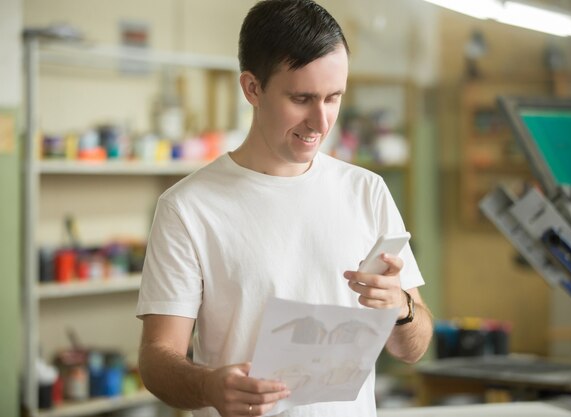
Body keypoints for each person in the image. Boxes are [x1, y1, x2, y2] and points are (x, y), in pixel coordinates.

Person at [136, 1, 433, 416]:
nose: (321, 121)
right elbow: (155, 359)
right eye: (302, 98)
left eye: (334, 98)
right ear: (252, 88)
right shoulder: (188, 208)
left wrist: (401, 309)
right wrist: (208, 386)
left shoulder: (368, 191)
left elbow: (413, 349)